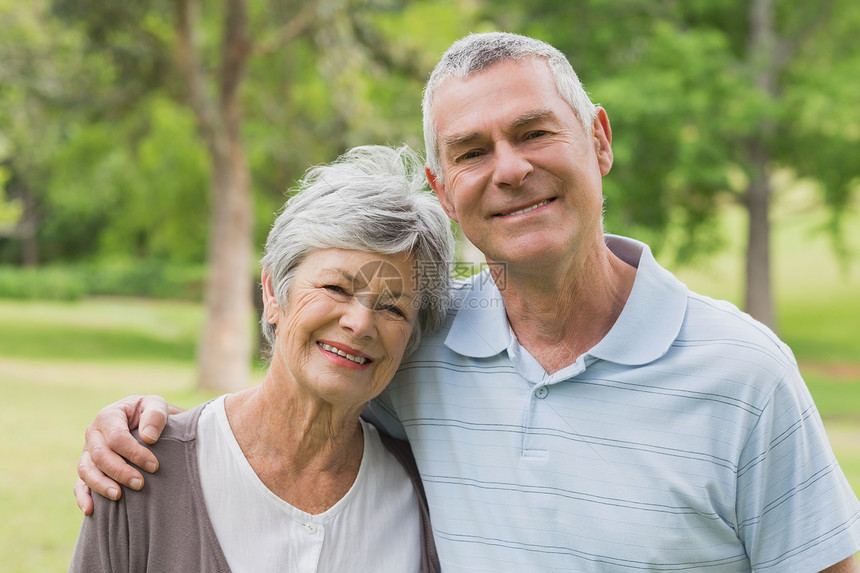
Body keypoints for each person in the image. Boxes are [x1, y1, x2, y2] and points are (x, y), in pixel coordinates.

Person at [75, 33, 860, 572]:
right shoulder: (418, 343)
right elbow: (304, 390)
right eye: (473, 152)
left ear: (600, 140)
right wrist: (144, 428)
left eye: (535, 133)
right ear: (443, 192)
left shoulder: (744, 376)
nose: (510, 169)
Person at [69, 145, 450, 572]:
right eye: (336, 288)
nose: (360, 323)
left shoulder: (425, 494)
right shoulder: (138, 470)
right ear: (272, 292)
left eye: (393, 308)